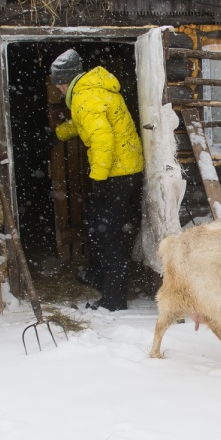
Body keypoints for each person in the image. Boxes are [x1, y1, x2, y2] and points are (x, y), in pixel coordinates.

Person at [50, 48, 144, 312]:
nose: (57, 87)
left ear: (64, 81)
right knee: (94, 224)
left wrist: (99, 181)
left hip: (117, 173)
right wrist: (59, 133)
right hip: (122, 168)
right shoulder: (91, 92)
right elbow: (87, 124)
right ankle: (95, 275)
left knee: (107, 234)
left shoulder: (84, 97)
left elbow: (102, 140)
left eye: (57, 81)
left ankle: (114, 299)